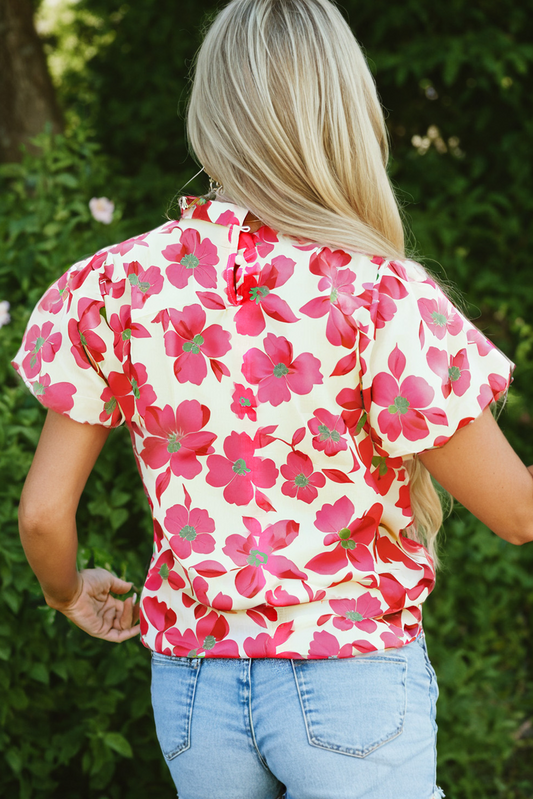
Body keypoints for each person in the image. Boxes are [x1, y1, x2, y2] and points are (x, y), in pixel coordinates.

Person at [11, 1, 533, 797]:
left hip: (192, 689)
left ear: (211, 112)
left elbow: (43, 515)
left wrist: (66, 589)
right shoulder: (378, 295)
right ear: (344, 114)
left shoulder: (115, 284)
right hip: (350, 682)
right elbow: (516, 513)